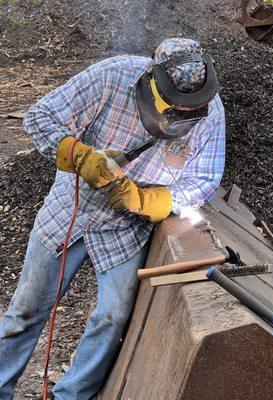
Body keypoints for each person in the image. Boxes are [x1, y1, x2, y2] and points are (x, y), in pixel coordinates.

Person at [0, 38, 225, 399]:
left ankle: (71, 395)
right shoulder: (112, 77)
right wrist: (80, 155)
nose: (180, 119)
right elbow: (40, 116)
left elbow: (204, 180)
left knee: (112, 318)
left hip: (127, 225)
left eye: (188, 114)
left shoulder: (210, 113)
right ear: (152, 83)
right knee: (25, 312)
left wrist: (148, 200)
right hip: (70, 207)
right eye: (173, 109)